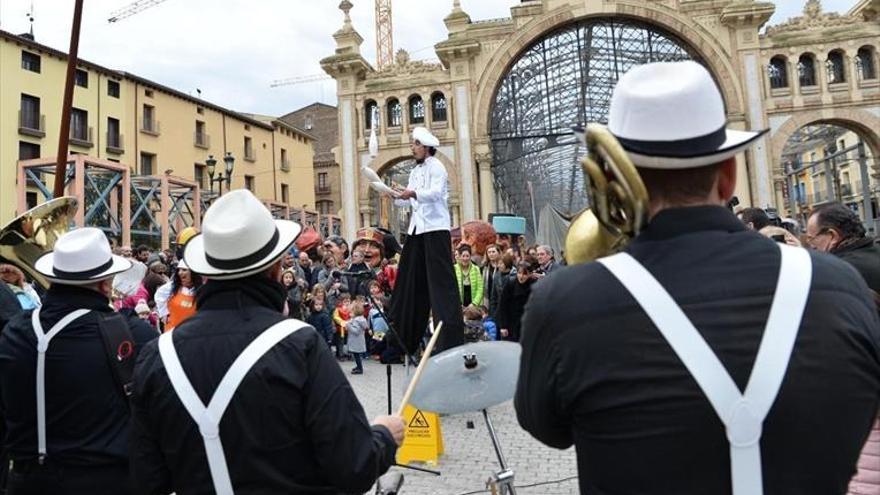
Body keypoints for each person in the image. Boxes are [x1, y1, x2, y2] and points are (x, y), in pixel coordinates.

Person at [514, 61, 880, 494]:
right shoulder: (838, 286)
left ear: (614, 180)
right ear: (728, 176)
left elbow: (547, 427)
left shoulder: (562, 300)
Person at [130, 190, 403, 494]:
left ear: (205, 275)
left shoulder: (158, 355)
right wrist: (384, 436)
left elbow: (146, 477)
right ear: (274, 269)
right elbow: (353, 465)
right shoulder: (300, 344)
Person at [0, 227, 156, 495]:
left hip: (26, 482)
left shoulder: (15, 332)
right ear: (105, 283)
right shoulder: (130, 331)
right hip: (105, 481)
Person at [381, 127, 465, 354]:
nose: (412, 147)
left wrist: (412, 194)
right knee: (408, 281)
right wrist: (394, 195)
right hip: (417, 230)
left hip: (435, 229)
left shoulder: (437, 167)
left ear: (426, 146)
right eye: (412, 143)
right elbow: (408, 201)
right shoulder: (414, 172)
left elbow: (436, 194)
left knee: (440, 285)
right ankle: (401, 338)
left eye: (416, 144)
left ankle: (449, 340)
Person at [806, 202, 880, 295]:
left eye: (811, 239)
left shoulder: (837, 272)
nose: (811, 246)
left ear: (832, 235)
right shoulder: (874, 250)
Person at [154, 260, 202, 332]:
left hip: (192, 333)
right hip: (172, 332)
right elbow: (159, 295)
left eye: (184, 270)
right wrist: (164, 313)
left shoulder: (202, 289)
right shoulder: (172, 287)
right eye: (179, 270)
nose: (180, 272)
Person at [496, 261, 535, 342]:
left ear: (530, 274)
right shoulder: (510, 283)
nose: (521, 276)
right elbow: (502, 305)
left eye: (525, 274)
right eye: (519, 273)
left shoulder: (534, 286)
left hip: (527, 323)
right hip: (511, 322)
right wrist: (503, 326)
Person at [454, 244, 483, 309]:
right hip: (458, 306)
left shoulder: (476, 269)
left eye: (467, 256)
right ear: (460, 256)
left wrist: (474, 303)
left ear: (470, 256)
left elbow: (480, 288)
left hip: (473, 306)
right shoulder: (454, 269)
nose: (465, 258)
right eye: (463, 256)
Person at [346, 300, 369, 375]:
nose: (350, 314)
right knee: (356, 355)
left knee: (357, 356)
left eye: (351, 312)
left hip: (356, 342)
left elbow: (356, 331)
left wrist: (348, 325)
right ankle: (358, 366)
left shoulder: (357, 321)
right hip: (357, 341)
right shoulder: (358, 320)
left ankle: (360, 368)